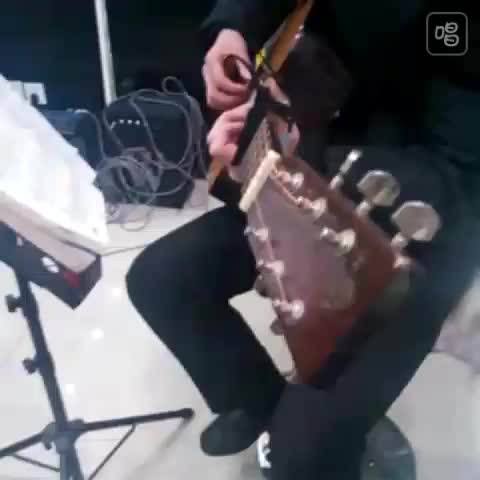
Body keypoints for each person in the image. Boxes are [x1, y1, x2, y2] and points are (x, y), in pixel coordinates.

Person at [126, 1, 480, 478]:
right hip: (313, 167)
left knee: (301, 459)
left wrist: (282, 150)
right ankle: (263, 404)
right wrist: (230, 31)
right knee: (160, 280)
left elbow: (460, 178)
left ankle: (317, 438)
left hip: (413, 238)